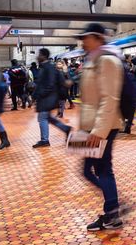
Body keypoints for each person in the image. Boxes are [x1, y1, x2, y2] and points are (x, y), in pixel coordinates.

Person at [74, 23, 125, 231]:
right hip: (90, 125)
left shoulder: (107, 61)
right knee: (87, 170)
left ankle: (112, 212)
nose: (82, 41)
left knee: (102, 169)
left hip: (102, 126)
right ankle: (113, 206)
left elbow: (110, 99)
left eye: (86, 38)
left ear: (97, 38)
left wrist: (98, 131)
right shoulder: (93, 60)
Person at [32, 48, 70, 148]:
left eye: (39, 54)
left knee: (42, 118)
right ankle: (66, 129)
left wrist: (40, 94)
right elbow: (40, 84)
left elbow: (50, 84)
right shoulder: (44, 67)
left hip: (47, 98)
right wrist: (35, 95)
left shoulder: (49, 67)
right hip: (46, 97)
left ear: (44, 56)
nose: (37, 56)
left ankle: (44, 140)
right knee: (48, 118)